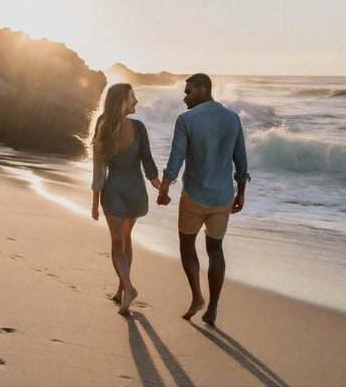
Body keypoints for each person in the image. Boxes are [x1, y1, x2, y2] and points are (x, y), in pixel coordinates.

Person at [157, 73, 250, 326]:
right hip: (223, 197)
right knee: (215, 249)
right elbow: (240, 160)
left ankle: (197, 296)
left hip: (194, 196)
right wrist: (240, 192)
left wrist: (164, 189)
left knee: (187, 245)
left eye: (188, 92)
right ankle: (213, 307)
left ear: (201, 90)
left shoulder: (186, 119)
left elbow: (175, 159)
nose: (184, 97)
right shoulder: (232, 119)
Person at [92, 83, 163, 316]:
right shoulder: (139, 128)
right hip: (135, 190)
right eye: (132, 97)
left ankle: (127, 289)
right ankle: (122, 291)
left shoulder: (103, 125)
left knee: (117, 243)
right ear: (122, 100)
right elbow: (148, 163)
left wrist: (95, 201)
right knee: (126, 239)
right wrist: (160, 188)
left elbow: (99, 168)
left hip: (113, 190)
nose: (136, 101)